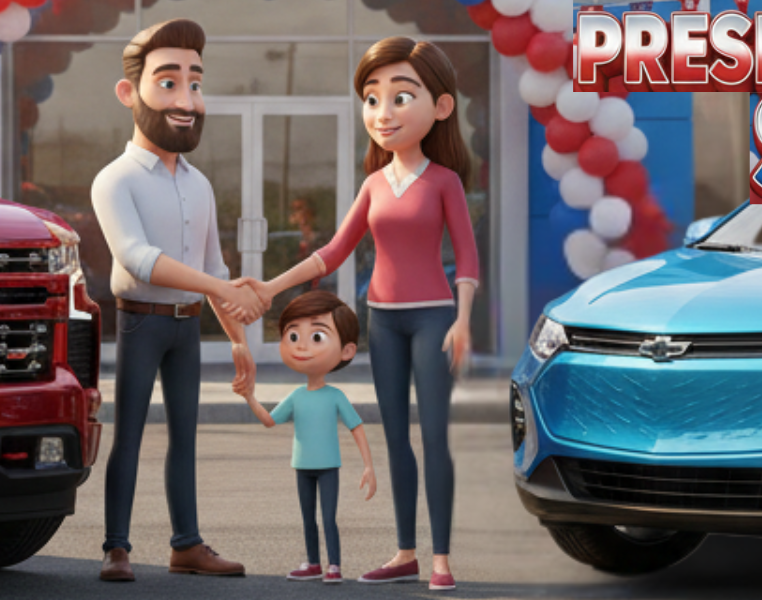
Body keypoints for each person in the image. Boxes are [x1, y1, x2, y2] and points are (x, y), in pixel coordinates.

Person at [246, 36, 479, 591]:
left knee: (434, 437)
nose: (383, 113)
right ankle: (405, 553)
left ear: (441, 107)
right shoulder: (374, 184)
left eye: (401, 97)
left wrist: (464, 320)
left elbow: (467, 257)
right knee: (395, 437)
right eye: (372, 99)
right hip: (384, 321)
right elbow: (333, 251)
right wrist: (271, 286)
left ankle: (441, 559)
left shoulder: (444, 181)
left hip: (433, 319)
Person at [90, 18, 266, 583]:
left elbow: (216, 269)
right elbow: (137, 257)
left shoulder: (200, 184)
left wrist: (238, 342)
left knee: (185, 437)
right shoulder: (115, 179)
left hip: (187, 328)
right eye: (169, 83)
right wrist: (220, 289)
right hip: (141, 323)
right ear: (129, 93)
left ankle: (186, 544)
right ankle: (116, 547)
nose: (187, 101)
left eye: (195, 83)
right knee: (130, 434)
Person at [236, 291, 377, 585]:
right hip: (302, 466)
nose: (301, 346)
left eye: (316, 337)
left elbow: (356, 426)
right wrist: (250, 397)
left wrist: (369, 465)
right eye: (293, 336)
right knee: (308, 518)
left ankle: (334, 565)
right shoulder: (295, 396)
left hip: (328, 467)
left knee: (328, 518)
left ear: (346, 351)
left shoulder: (335, 396)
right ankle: (314, 563)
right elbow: (270, 421)